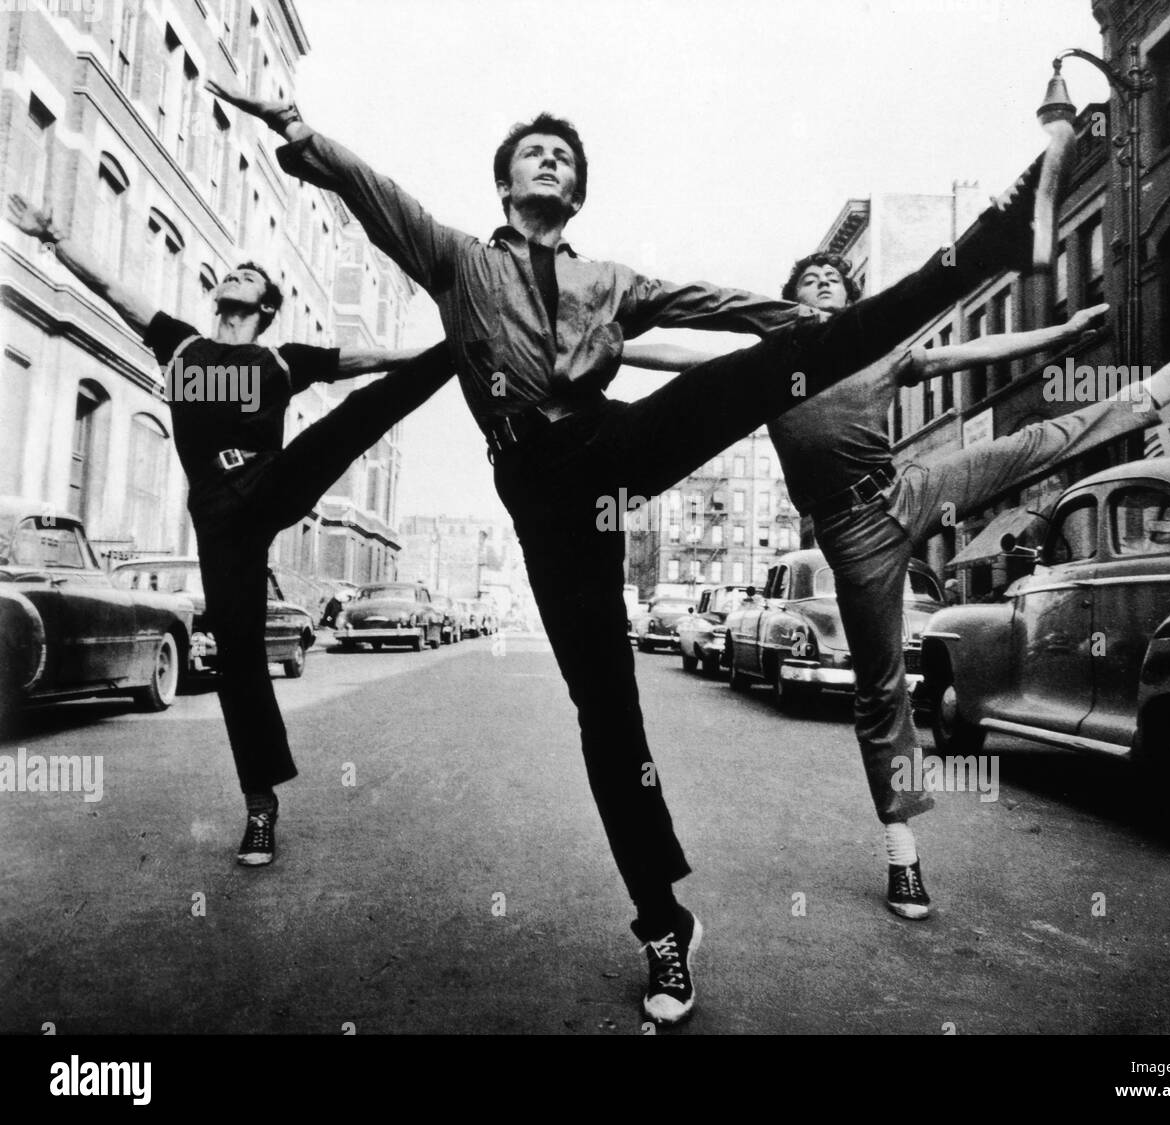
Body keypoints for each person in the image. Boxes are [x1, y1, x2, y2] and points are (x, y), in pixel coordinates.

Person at [208, 76, 1059, 1024]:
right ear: (505, 187)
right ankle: (663, 921)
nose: (552, 160)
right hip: (542, 493)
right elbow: (379, 196)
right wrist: (299, 132)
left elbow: (716, 302)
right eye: (535, 152)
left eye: (566, 158)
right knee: (606, 714)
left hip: (609, 449)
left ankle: (989, 243)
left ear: (577, 195)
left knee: (765, 369)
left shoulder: (609, 279)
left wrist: (801, 322)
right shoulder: (456, 261)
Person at [625, 248, 1170, 920]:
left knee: (1032, 443)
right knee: (879, 688)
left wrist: (1062, 334)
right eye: (812, 277)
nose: (826, 281)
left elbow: (975, 350)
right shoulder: (771, 359)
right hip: (851, 532)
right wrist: (602, 354)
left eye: (837, 277)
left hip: (909, 489)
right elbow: (683, 358)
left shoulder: (880, 348)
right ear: (792, 297)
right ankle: (902, 852)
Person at [6, 193, 455, 869]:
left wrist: (434, 351)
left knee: (361, 413)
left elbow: (371, 358)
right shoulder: (181, 343)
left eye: (248, 278)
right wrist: (54, 234)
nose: (235, 279)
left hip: (272, 481)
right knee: (240, 654)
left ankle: (469, 349)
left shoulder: (283, 360)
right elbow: (109, 285)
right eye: (231, 276)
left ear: (265, 306)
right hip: (219, 514)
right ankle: (261, 807)